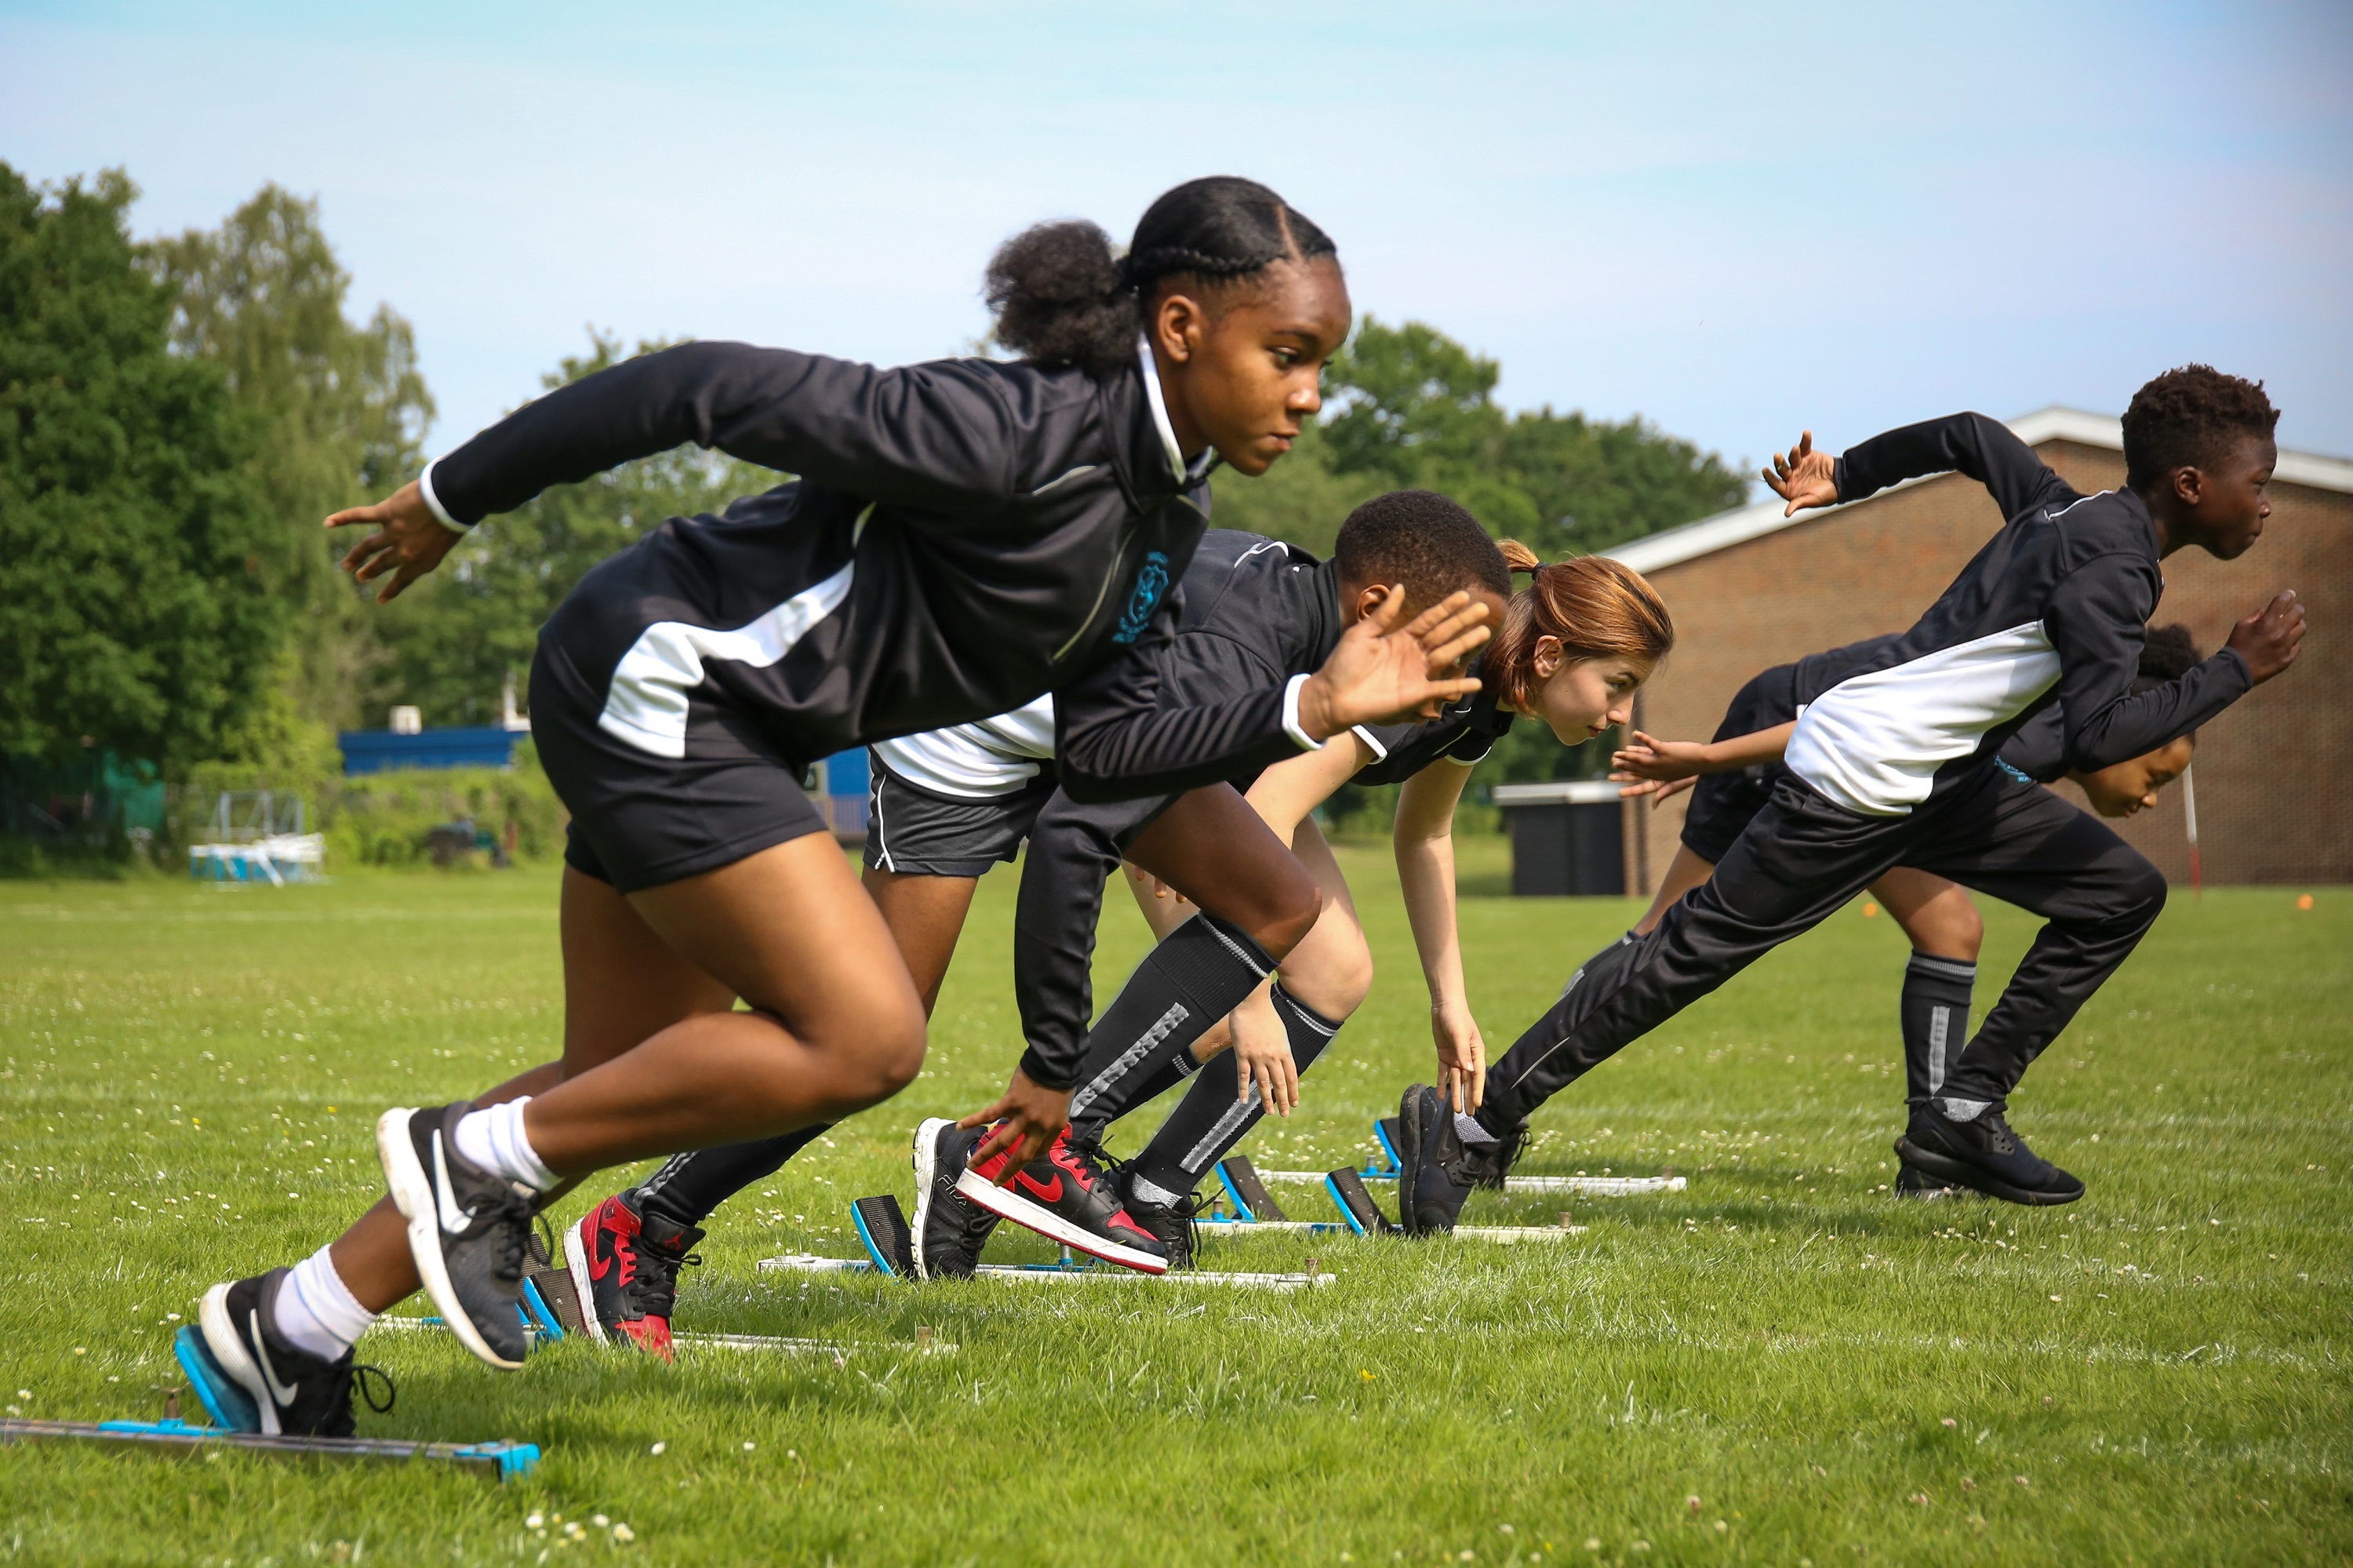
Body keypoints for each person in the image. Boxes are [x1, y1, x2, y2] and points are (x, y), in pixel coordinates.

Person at [177, 177, 1493, 1437]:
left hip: (720, 719)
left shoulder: (1164, 512)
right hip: (665, 679)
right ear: (1183, 323)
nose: (1310, 393)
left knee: (624, 1077)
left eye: (1324, 362)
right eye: (1288, 353)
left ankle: (290, 1323)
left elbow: (1104, 750)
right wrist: (452, 495)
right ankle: (471, 1162)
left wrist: (1311, 707)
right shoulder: (1013, 428)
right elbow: (695, 383)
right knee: (870, 1033)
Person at [559, 493, 1511, 1344]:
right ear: (1375, 604)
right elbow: (1075, 837)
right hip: (957, 737)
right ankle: (641, 1224)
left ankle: (1031, 1147)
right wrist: (1051, 1065)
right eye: (1452, 645)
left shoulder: (1290, 617)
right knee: (864, 1043)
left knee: (1284, 900)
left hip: (1069, 743)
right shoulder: (1233, 653)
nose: (1458, 676)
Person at [1395, 366, 2306, 1228]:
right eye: (2259, 483)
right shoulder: (2116, 568)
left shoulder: (2066, 511)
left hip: (1942, 779)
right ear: (2191, 484)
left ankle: (1962, 1111)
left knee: (2119, 892)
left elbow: (1972, 434)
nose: (2265, 503)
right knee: (1685, 955)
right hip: (1866, 775)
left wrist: (1851, 475)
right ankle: (1473, 1124)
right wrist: (2235, 669)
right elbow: (2099, 734)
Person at [1609, 624, 2208, 1195]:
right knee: (1665, 932)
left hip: (1845, 758)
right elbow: (1845, 725)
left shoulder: (2050, 728)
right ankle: (1535, 1073)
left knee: (1951, 930)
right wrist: (1710, 758)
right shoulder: (2035, 730)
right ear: (2130, 733)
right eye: (2155, 775)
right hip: (1792, 727)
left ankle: (1933, 1161)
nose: (2151, 799)